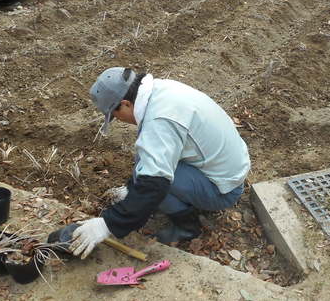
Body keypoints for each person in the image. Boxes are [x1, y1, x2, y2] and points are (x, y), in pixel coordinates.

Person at [70, 67, 251, 259]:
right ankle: (161, 201)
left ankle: (187, 227)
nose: (120, 121)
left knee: (152, 177)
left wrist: (108, 224)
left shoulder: (160, 119)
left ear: (125, 104)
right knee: (146, 158)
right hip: (226, 168)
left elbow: (154, 183)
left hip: (223, 190)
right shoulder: (160, 91)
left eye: (115, 116)